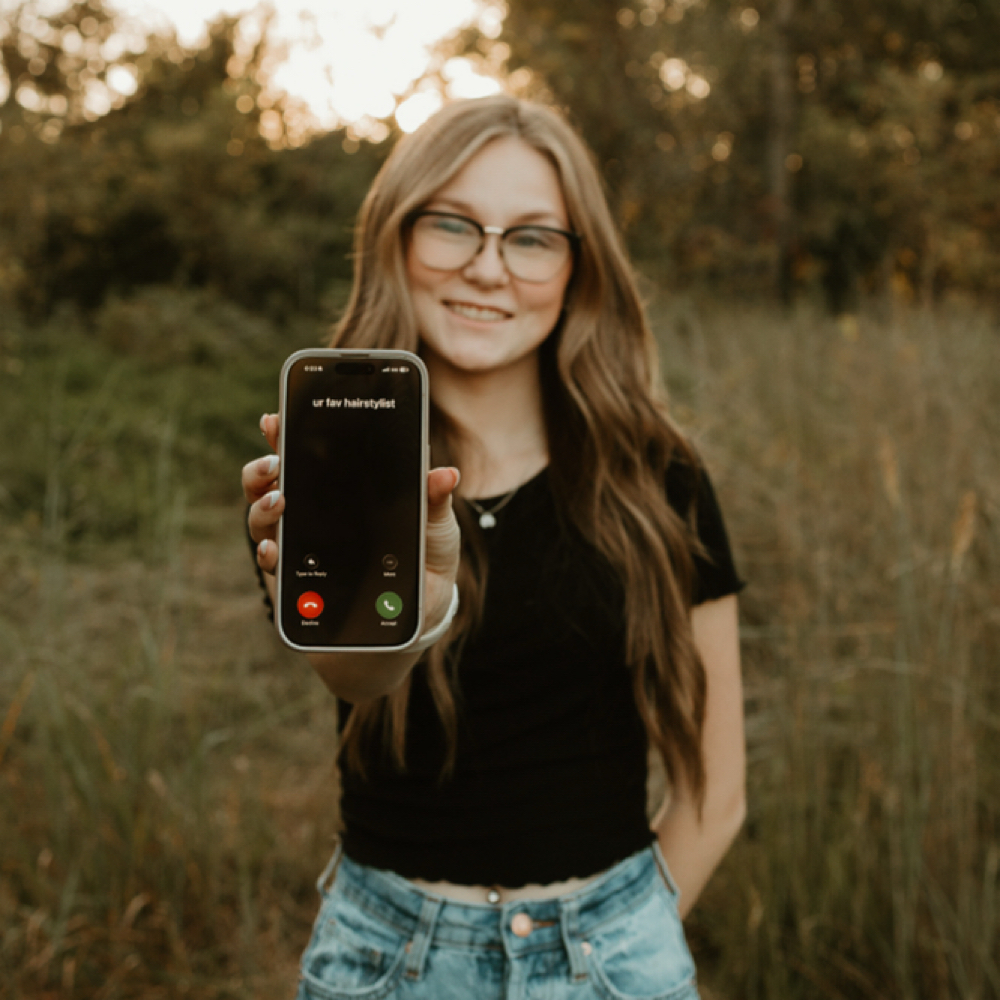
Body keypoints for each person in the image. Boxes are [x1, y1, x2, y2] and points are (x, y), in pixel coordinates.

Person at [242, 95, 745, 1000]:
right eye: (453, 225)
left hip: (614, 954)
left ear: (576, 265)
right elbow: (355, 681)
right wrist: (418, 616)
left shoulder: (660, 477)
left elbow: (718, 789)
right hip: (388, 962)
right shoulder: (332, 461)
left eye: (531, 237)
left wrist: (633, 949)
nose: (487, 267)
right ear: (397, 236)